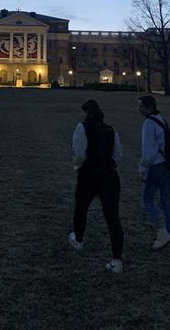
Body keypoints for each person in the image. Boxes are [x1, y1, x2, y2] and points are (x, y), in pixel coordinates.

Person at [68, 99, 124, 274]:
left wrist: (79, 166)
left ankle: (78, 239)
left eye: (82, 112)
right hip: (109, 175)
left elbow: (78, 153)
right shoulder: (110, 130)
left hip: (89, 175)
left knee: (82, 207)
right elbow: (117, 154)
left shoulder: (82, 127)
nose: (81, 115)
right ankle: (117, 259)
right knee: (113, 217)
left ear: (87, 112)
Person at [138, 95, 170, 250]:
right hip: (168, 165)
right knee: (166, 202)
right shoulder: (161, 119)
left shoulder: (148, 123)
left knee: (147, 200)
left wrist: (142, 169)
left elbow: (148, 152)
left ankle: (162, 233)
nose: (139, 109)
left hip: (156, 166)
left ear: (149, 107)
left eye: (141, 106)